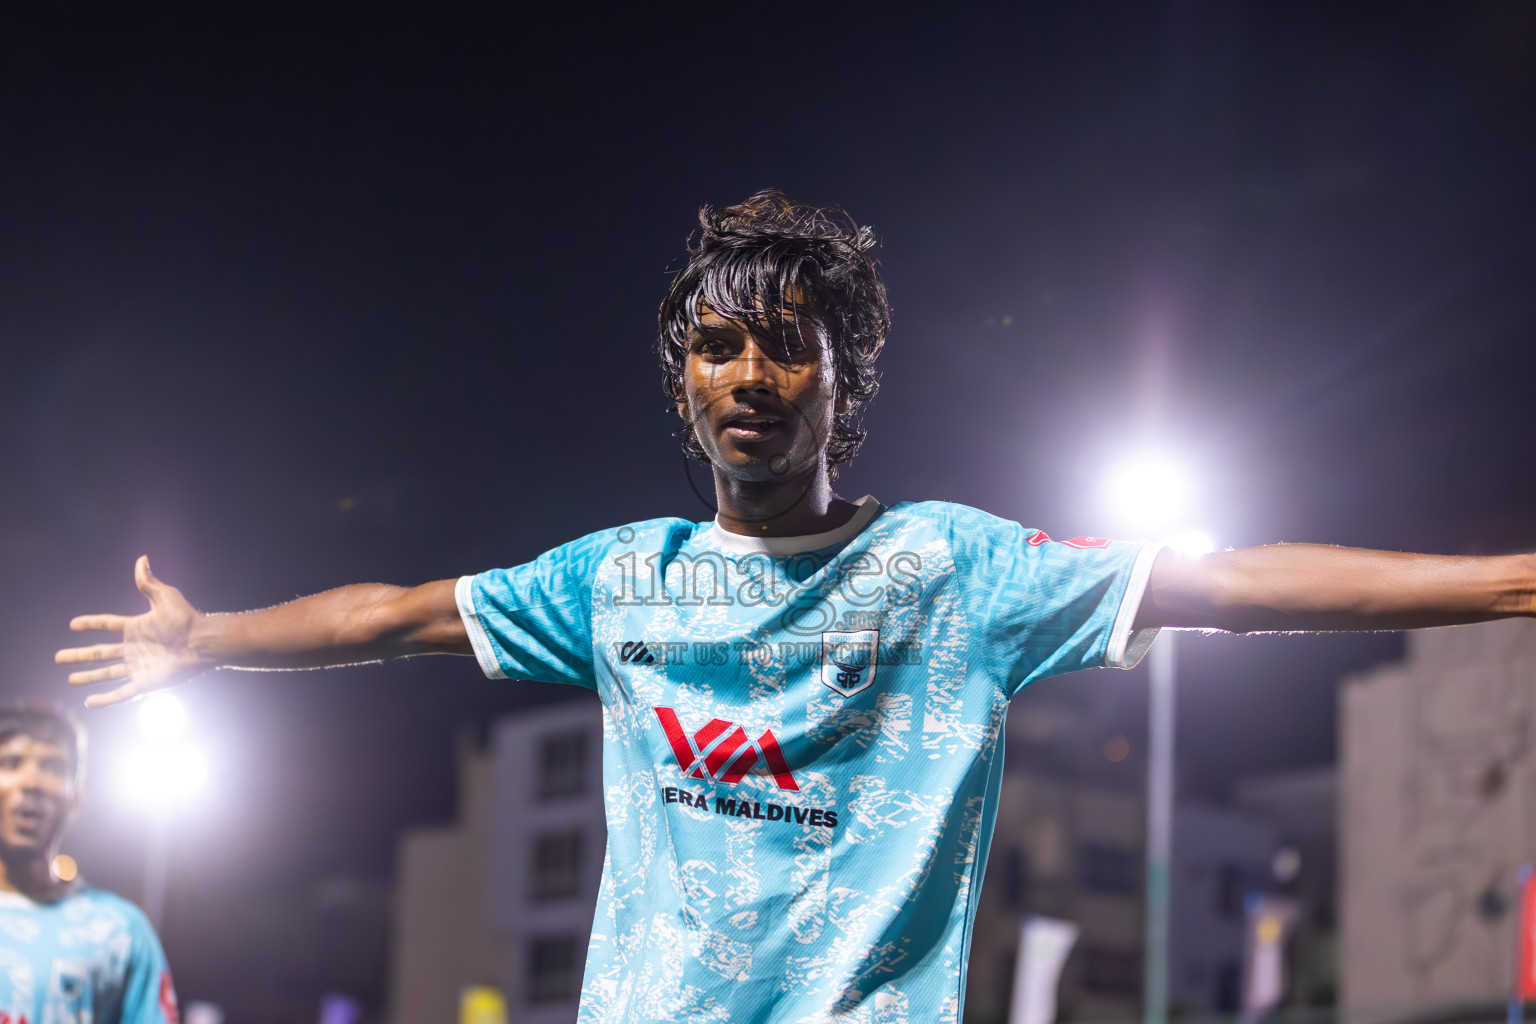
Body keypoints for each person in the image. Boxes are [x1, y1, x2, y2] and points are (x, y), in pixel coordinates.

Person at [57, 192, 1533, 1023]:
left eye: (785, 346)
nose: (750, 376)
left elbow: (1228, 579)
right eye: (716, 348)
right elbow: (392, 614)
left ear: (843, 373)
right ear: (682, 381)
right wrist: (204, 640)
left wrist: (1512, 580)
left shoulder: (959, 571)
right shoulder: (619, 580)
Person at [0, 704, 179, 1024]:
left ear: (77, 796)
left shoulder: (120, 931)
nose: (31, 782)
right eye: (11, 763)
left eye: (53, 767)